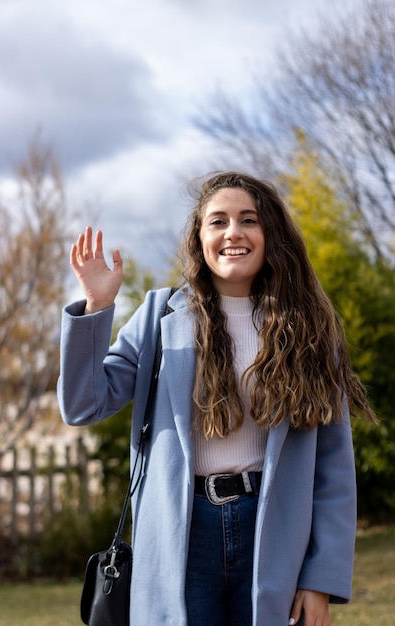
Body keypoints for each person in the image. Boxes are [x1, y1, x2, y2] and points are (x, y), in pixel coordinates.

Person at [57, 171, 376, 626]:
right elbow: (83, 404)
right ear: (199, 237)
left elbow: (334, 470)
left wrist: (319, 580)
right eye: (218, 221)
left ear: (270, 235)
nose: (233, 233)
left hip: (274, 532)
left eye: (249, 220)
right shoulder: (159, 315)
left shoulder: (308, 330)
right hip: (182, 535)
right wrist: (96, 309)